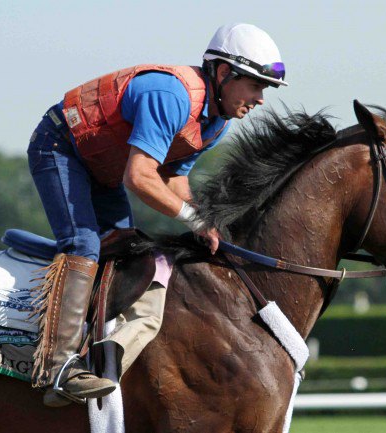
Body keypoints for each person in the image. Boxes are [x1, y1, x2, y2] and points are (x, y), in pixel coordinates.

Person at [27, 23, 288, 406]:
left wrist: (207, 220)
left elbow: (174, 178)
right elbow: (139, 177)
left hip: (102, 169)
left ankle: (96, 352)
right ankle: (58, 367)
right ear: (222, 73)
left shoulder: (215, 122)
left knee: (127, 252)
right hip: (59, 147)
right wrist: (193, 219)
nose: (261, 99)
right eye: (255, 85)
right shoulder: (170, 95)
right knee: (83, 244)